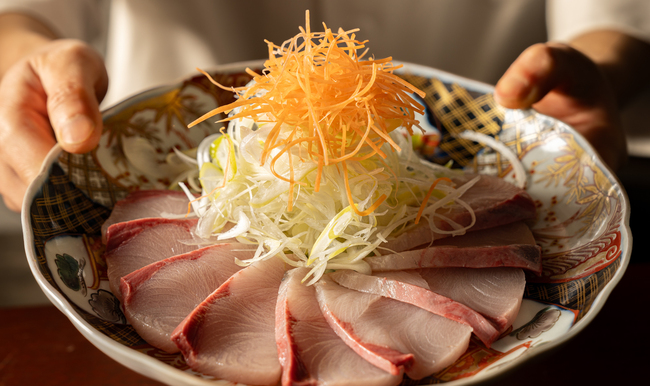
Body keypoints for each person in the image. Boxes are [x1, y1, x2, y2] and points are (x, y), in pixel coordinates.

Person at [0, 0, 649, 212]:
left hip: (467, 158)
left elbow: (616, 19)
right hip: (168, 170)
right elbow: (20, 16)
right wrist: (29, 64)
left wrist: (591, 75)